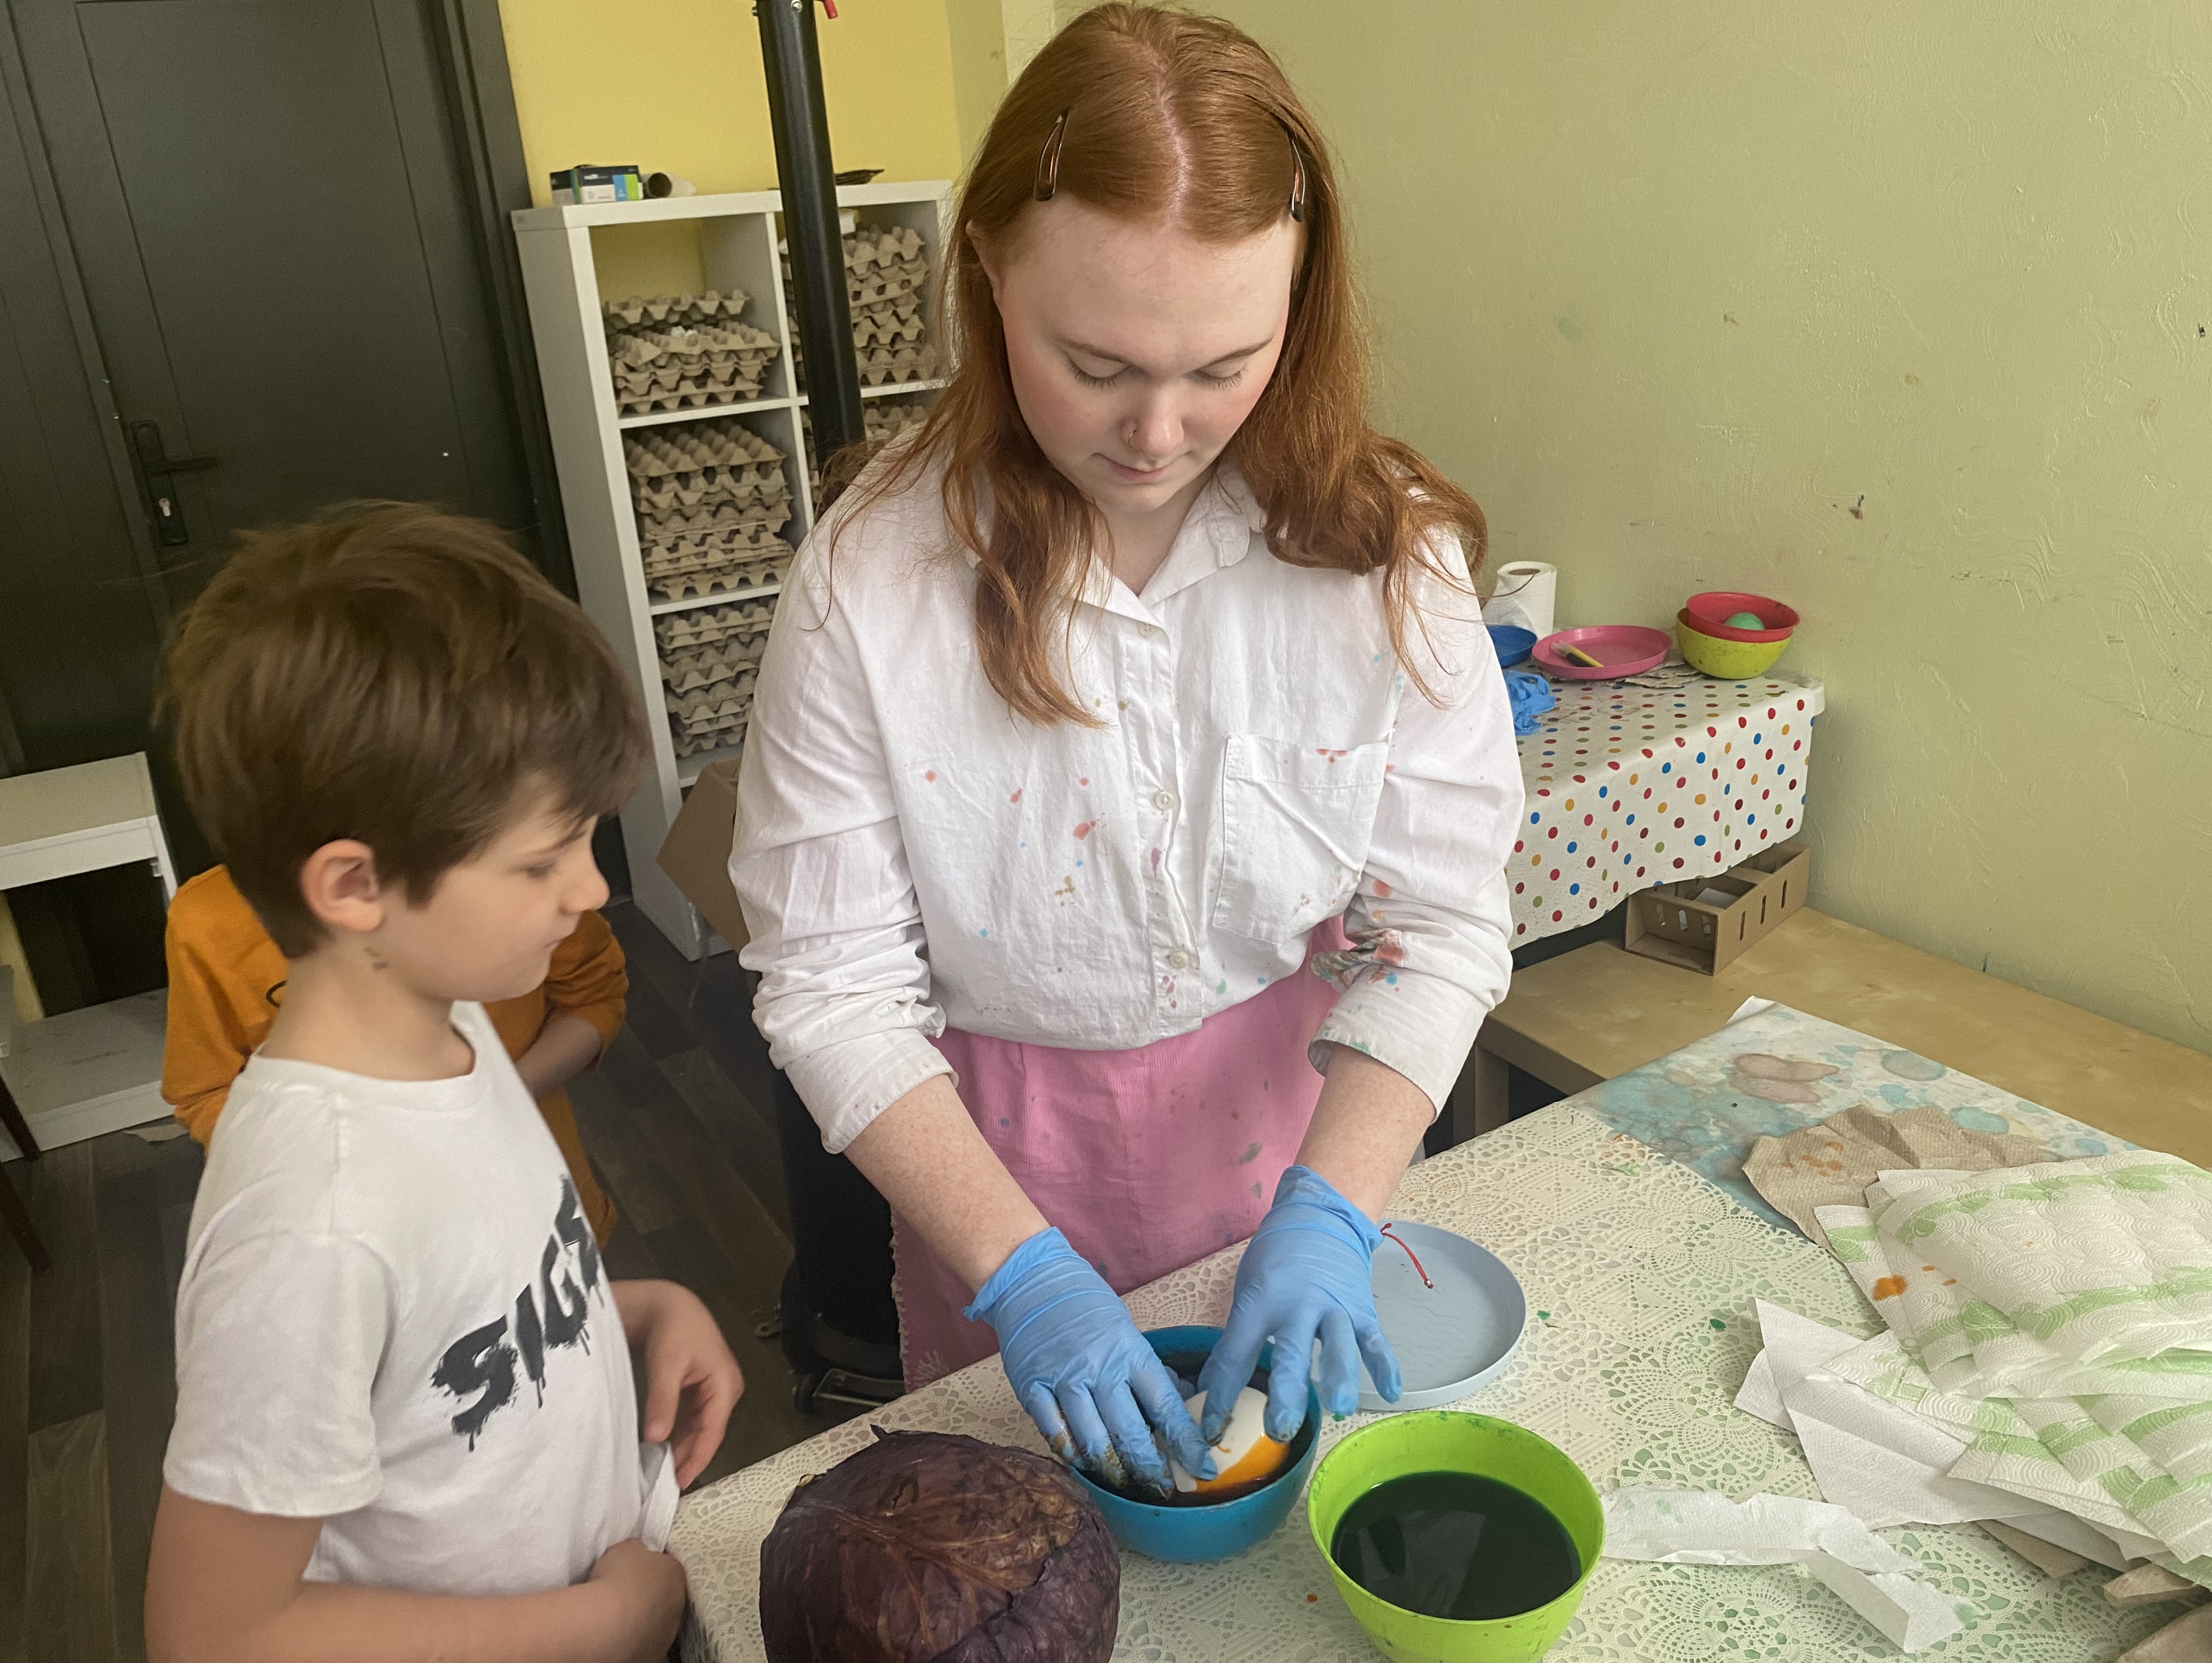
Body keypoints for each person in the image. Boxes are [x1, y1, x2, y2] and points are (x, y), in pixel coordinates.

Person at [731, 3, 1521, 1500]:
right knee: (1026, 1532)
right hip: (992, 1165)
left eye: (1227, 364)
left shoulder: (1382, 559)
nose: (1160, 432)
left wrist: (1333, 1214)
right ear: (987, 276)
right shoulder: (872, 583)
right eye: (1093, 363)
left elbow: (1440, 922)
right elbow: (832, 985)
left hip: (1294, 1138)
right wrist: (1022, 1275)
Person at [145, 505, 741, 1663]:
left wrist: (638, 1308)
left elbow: (444, 1339)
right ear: (355, 887)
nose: (593, 890)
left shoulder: (451, 1019)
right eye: (542, 859)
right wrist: (608, 1619)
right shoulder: (307, 1223)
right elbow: (216, 1632)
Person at [161, 864, 629, 1245]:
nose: (593, 887)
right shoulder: (212, 920)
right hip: (364, 1246)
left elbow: (594, 993)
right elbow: (207, 1090)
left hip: (542, 1216)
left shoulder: (505, 863)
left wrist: (500, 1096)